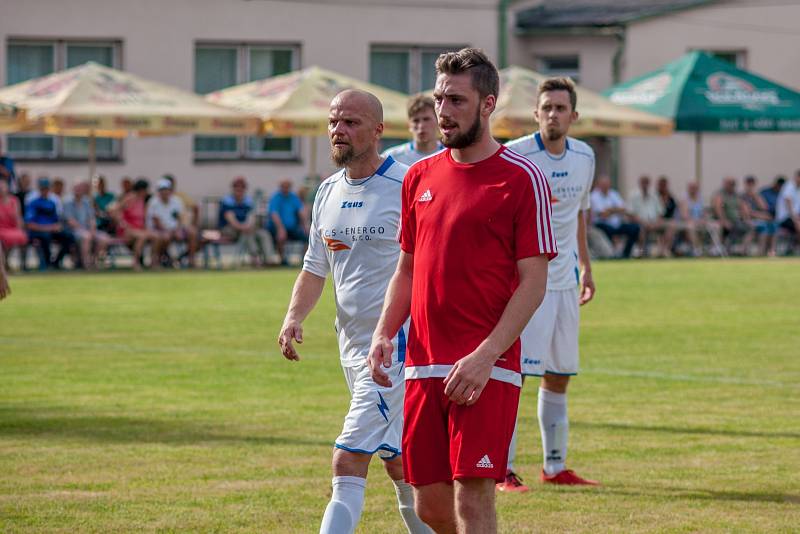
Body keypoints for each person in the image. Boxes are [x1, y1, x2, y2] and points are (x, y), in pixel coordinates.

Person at [368, 48, 555, 534]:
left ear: (487, 104)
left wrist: (487, 355)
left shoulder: (521, 178)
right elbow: (407, 268)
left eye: (456, 100)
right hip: (423, 362)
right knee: (430, 503)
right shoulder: (418, 177)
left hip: (487, 365)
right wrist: (385, 331)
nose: (442, 112)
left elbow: (534, 281)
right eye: (438, 99)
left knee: (472, 498)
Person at [278, 89, 430, 534]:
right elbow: (313, 267)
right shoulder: (326, 192)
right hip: (351, 348)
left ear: (379, 131)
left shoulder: (409, 185)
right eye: (333, 122)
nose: (338, 131)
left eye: (350, 122)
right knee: (398, 461)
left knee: (347, 459)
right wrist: (293, 317)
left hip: (397, 350)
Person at [499, 76, 598, 493]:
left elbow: (577, 214)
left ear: (574, 116)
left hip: (564, 285)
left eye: (561, 108)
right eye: (547, 108)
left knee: (559, 375)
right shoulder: (516, 156)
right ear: (536, 114)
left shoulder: (585, 156)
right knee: (514, 377)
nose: (553, 114)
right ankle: (501, 469)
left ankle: (554, 468)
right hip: (526, 285)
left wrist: (586, 269)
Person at [219, 176, 275, 266]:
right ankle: (255, 259)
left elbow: (251, 217)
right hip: (229, 229)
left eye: (242, 188)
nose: (239, 191)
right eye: (237, 188)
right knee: (247, 234)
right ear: (233, 189)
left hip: (246, 229)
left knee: (264, 234)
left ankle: (269, 259)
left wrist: (248, 226)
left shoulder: (248, 201)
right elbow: (231, 220)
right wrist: (244, 227)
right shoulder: (227, 201)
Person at [24, 177, 75, 270]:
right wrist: (49, 228)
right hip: (39, 231)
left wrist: (58, 226)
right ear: (39, 189)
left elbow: (56, 220)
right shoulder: (33, 203)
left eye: (47, 188)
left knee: (69, 236)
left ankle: (56, 262)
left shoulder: (52, 203)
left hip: (51, 230)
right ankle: (46, 263)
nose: (45, 191)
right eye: (43, 188)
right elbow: (30, 224)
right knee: (45, 237)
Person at [147, 178, 198, 267]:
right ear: (158, 191)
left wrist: (178, 229)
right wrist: (170, 231)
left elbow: (180, 218)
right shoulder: (153, 202)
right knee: (165, 237)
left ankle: (191, 260)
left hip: (174, 229)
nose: (164, 192)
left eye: (166, 189)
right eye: (162, 190)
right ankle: (156, 261)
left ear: (170, 190)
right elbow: (156, 222)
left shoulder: (177, 200)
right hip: (159, 230)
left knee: (193, 232)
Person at [382, 94, 444, 166]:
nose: (421, 125)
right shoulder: (391, 158)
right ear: (409, 125)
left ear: (437, 120)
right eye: (416, 121)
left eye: (426, 119)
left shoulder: (452, 155)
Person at [116, 178, 160, 271]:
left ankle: (153, 262)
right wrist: (123, 224)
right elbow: (116, 211)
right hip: (127, 230)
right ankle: (135, 262)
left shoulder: (143, 200)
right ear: (141, 190)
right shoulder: (130, 198)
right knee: (142, 237)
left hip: (139, 229)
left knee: (156, 236)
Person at [64, 180, 110, 269]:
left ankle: (95, 261)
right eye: (77, 188)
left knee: (104, 238)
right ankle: (86, 263)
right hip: (74, 231)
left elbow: (91, 218)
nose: (79, 190)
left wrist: (92, 229)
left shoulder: (86, 202)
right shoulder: (67, 202)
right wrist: (85, 230)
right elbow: (70, 221)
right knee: (86, 237)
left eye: (81, 188)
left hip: (88, 230)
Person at [590, 176, 640, 258]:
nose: (605, 186)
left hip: (617, 225)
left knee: (635, 228)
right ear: (599, 185)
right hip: (602, 225)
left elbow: (623, 209)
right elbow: (603, 215)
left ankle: (625, 253)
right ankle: (611, 254)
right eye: (603, 184)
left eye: (607, 184)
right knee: (607, 229)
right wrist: (616, 210)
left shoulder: (614, 194)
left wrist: (610, 210)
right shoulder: (594, 196)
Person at [267, 179, 308, 264]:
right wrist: (280, 229)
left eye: (287, 187)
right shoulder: (276, 197)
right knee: (281, 237)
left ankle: (305, 261)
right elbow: (274, 214)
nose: (285, 189)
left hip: (292, 228)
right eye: (283, 187)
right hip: (277, 227)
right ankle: (283, 260)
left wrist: (305, 226)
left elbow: (301, 212)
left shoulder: (293, 197)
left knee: (307, 237)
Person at [679, 181, 722, 257]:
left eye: (695, 188)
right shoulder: (684, 200)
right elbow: (684, 216)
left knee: (716, 225)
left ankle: (714, 248)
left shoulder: (701, 199)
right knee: (691, 227)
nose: (693, 190)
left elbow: (704, 213)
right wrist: (696, 221)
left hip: (700, 222)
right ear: (688, 189)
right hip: (689, 222)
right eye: (691, 188)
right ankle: (697, 249)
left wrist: (704, 219)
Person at [712, 177, 753, 255]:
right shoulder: (720, 194)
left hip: (736, 221)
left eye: (733, 184)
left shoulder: (736, 195)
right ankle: (720, 250)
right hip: (723, 221)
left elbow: (743, 207)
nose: (732, 185)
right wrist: (724, 221)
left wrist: (747, 219)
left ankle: (743, 251)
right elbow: (718, 208)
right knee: (722, 228)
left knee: (750, 228)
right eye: (730, 184)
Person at [629, 175, 668, 257]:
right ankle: (641, 253)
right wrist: (644, 223)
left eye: (646, 183)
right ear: (640, 183)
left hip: (654, 223)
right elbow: (631, 214)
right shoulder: (633, 196)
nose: (645, 185)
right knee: (640, 229)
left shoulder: (655, 195)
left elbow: (660, 213)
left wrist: (656, 223)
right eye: (643, 182)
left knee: (672, 226)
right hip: (640, 223)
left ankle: (663, 251)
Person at [741, 175, 777, 256]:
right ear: (746, 184)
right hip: (746, 220)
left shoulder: (757, 195)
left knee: (773, 225)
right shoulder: (743, 196)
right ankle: (759, 252)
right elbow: (747, 212)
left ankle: (771, 251)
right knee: (762, 227)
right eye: (749, 184)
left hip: (758, 219)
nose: (751, 186)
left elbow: (764, 207)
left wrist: (755, 196)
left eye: (752, 184)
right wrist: (761, 216)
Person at [0, 179, 27, 268]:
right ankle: (4, 262)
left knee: (22, 236)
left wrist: (20, 227)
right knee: (6, 238)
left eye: (3, 187)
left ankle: (23, 264)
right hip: (2, 229)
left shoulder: (14, 200)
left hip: (12, 228)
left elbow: (18, 217)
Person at [775, 170, 800, 252]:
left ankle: (793, 247)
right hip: (784, 218)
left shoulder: (798, 189)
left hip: (794, 217)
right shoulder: (789, 186)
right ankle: (794, 248)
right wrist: (796, 220)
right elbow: (788, 204)